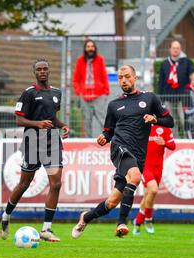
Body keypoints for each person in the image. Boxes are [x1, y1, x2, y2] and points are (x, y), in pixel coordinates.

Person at [71, 65, 174, 239]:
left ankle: (85, 218)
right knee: (134, 177)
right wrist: (104, 137)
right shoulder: (114, 105)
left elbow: (169, 121)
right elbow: (108, 130)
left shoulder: (150, 99)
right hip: (119, 148)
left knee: (111, 202)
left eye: (127, 77)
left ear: (135, 78)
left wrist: (155, 119)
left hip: (138, 154)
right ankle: (122, 223)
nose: (123, 80)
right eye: (120, 78)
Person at [0, 58, 69, 242]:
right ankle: (6, 216)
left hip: (52, 142)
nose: (42, 72)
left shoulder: (56, 93)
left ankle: (46, 229)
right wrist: (38, 124)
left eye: (45, 69)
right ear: (35, 72)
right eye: (39, 69)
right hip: (33, 142)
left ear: (49, 71)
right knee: (24, 184)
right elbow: (19, 120)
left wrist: (62, 126)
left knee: (56, 184)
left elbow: (52, 118)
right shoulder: (28, 93)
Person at [133, 124, 176, 235]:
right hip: (144, 166)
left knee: (148, 194)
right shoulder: (141, 127)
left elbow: (173, 145)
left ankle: (138, 221)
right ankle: (148, 219)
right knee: (153, 190)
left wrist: (164, 143)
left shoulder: (164, 128)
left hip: (158, 168)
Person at [72, 39, 109, 138]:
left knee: (102, 119)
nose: (90, 49)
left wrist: (106, 91)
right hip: (85, 96)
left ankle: (107, 139)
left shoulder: (100, 59)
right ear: (85, 48)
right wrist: (78, 91)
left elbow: (104, 76)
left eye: (92, 46)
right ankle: (88, 142)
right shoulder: (80, 61)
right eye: (88, 46)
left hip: (99, 95)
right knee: (87, 121)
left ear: (95, 48)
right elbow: (75, 79)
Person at [158, 40, 194, 138]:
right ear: (170, 49)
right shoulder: (165, 64)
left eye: (177, 48)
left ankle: (188, 140)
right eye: (174, 48)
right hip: (168, 98)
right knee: (171, 121)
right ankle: (175, 141)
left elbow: (192, 78)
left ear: (180, 49)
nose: (175, 50)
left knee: (184, 120)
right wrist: (161, 99)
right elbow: (161, 81)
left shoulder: (187, 62)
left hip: (183, 98)